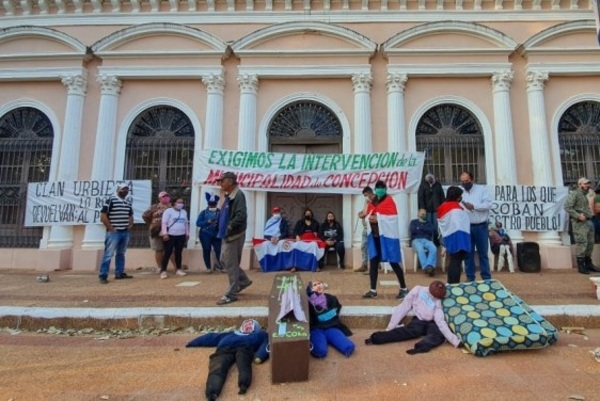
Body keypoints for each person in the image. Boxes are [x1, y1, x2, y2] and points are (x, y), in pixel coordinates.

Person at [364, 281, 461, 354]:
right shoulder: (418, 290)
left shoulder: (438, 302)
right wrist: (390, 327)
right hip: (418, 320)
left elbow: (441, 323)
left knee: (437, 336)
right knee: (408, 331)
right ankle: (376, 338)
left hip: (432, 323)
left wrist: (455, 341)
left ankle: (421, 346)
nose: (434, 297)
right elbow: (403, 307)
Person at [185, 319, 269, 400]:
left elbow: (267, 343)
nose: (248, 325)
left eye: (251, 325)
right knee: (218, 366)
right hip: (224, 349)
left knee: (244, 363)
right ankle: (212, 393)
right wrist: (192, 342)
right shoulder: (231, 334)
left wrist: (260, 356)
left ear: (256, 329)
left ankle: (244, 384)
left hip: (244, 348)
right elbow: (212, 337)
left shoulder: (260, 335)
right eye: (246, 323)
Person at [362, 180, 409, 300]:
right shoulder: (373, 201)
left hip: (387, 238)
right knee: (373, 262)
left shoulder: (389, 201)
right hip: (375, 236)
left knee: (393, 262)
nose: (379, 189)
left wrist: (377, 218)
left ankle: (404, 288)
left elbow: (392, 218)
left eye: (382, 187)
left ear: (385, 189)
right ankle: (373, 291)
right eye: (377, 187)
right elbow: (368, 214)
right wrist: (370, 218)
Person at [216, 172, 253, 305]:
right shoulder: (229, 196)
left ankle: (231, 294)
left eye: (222, 181)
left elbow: (241, 215)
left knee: (230, 264)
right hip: (226, 234)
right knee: (224, 261)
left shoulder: (238, 195)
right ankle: (243, 281)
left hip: (233, 235)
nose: (220, 183)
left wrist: (229, 227)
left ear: (230, 181)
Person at [306, 280, 355, 358]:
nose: (318, 285)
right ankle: (322, 341)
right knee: (320, 351)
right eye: (315, 285)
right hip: (317, 329)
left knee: (348, 346)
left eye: (319, 283)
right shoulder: (308, 302)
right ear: (310, 290)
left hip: (331, 327)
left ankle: (328, 339)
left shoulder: (331, 298)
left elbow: (337, 308)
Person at [98, 183, 134, 284]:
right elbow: (103, 215)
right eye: (123, 189)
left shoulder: (127, 203)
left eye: (127, 189)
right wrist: (110, 227)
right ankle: (103, 275)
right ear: (118, 190)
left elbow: (130, 214)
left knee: (121, 253)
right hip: (114, 232)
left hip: (124, 231)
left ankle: (119, 272)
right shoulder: (111, 200)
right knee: (108, 254)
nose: (126, 191)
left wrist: (130, 224)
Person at [459, 171, 492, 281]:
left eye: (467, 181)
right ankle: (470, 277)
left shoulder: (481, 190)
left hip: (481, 226)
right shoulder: (460, 192)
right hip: (466, 227)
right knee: (468, 254)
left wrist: (474, 206)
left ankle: (486, 278)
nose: (465, 183)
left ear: (472, 180)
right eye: (463, 181)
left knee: (483, 253)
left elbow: (488, 205)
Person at [565, 177, 600, 274]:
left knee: (590, 243)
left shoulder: (584, 195)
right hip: (579, 223)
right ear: (579, 185)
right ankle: (581, 266)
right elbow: (567, 207)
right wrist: (578, 216)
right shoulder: (575, 194)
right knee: (582, 242)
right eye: (585, 184)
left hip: (588, 221)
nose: (588, 185)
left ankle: (588, 263)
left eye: (588, 183)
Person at [437, 186, 471, 284]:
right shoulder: (456, 208)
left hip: (448, 236)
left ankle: (450, 283)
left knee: (453, 261)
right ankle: (455, 284)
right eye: (460, 196)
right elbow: (460, 224)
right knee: (456, 262)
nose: (461, 198)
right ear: (456, 197)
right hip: (458, 237)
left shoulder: (443, 206)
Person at [142, 191, 176, 273]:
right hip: (156, 231)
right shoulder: (154, 207)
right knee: (158, 250)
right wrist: (151, 224)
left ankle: (176, 267)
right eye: (164, 196)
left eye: (167, 196)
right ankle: (160, 267)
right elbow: (144, 215)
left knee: (171, 250)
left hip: (169, 231)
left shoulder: (172, 207)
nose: (166, 198)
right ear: (159, 198)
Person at [159, 197, 190, 279]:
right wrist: (165, 233)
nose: (181, 204)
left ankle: (178, 269)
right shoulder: (168, 211)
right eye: (179, 202)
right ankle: (163, 271)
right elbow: (164, 223)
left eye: (182, 202)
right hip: (170, 235)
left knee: (178, 252)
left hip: (181, 235)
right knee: (167, 253)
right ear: (174, 203)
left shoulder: (184, 212)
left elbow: (186, 223)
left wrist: (187, 234)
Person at [196, 192, 223, 274]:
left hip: (217, 234)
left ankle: (221, 266)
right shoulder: (203, 213)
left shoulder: (220, 212)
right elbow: (198, 223)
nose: (212, 207)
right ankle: (208, 267)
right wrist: (207, 222)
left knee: (218, 250)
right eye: (211, 205)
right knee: (207, 249)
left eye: (214, 205)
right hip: (205, 234)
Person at [417, 173, 445, 245]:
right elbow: (421, 197)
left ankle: (437, 243)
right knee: (427, 227)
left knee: (436, 227)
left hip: (437, 210)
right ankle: (429, 242)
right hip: (427, 211)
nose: (430, 180)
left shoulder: (438, 185)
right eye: (428, 179)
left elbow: (442, 197)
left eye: (431, 178)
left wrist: (443, 208)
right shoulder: (423, 185)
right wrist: (422, 208)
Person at [409, 208, 438, 276]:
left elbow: (431, 231)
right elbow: (413, 231)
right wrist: (423, 228)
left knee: (433, 248)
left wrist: (419, 228)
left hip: (427, 240)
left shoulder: (429, 223)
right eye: (422, 214)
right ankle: (427, 267)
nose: (424, 215)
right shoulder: (413, 222)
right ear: (418, 214)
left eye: (425, 214)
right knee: (420, 249)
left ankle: (428, 266)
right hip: (416, 240)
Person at [354, 186, 374, 273]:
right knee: (363, 246)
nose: (365, 197)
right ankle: (364, 265)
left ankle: (371, 267)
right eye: (364, 195)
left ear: (370, 193)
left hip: (373, 228)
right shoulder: (367, 202)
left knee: (371, 248)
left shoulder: (375, 201)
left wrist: (363, 214)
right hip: (366, 227)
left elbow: (370, 213)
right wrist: (361, 212)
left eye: (366, 195)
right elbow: (365, 211)